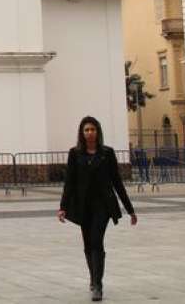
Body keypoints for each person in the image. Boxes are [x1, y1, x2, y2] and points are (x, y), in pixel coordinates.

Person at [58, 116, 137, 301]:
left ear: (98, 132)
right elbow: (69, 182)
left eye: (93, 129)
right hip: (83, 205)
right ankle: (93, 279)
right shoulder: (74, 153)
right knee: (88, 244)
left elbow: (117, 182)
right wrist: (63, 207)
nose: (90, 133)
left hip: (103, 205)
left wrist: (130, 209)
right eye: (86, 130)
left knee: (96, 241)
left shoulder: (107, 153)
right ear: (82, 133)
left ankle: (98, 285)